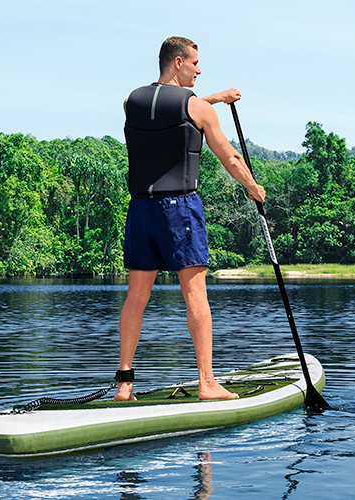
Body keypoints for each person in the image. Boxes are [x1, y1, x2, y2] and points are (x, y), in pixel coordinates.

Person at [114, 36, 266, 401]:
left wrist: (214, 99)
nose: (199, 69)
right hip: (178, 208)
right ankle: (207, 383)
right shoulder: (197, 109)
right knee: (195, 293)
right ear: (179, 61)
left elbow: (171, 109)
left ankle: (124, 385)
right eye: (195, 63)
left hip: (140, 209)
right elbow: (229, 156)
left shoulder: (130, 102)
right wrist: (252, 187)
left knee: (136, 296)